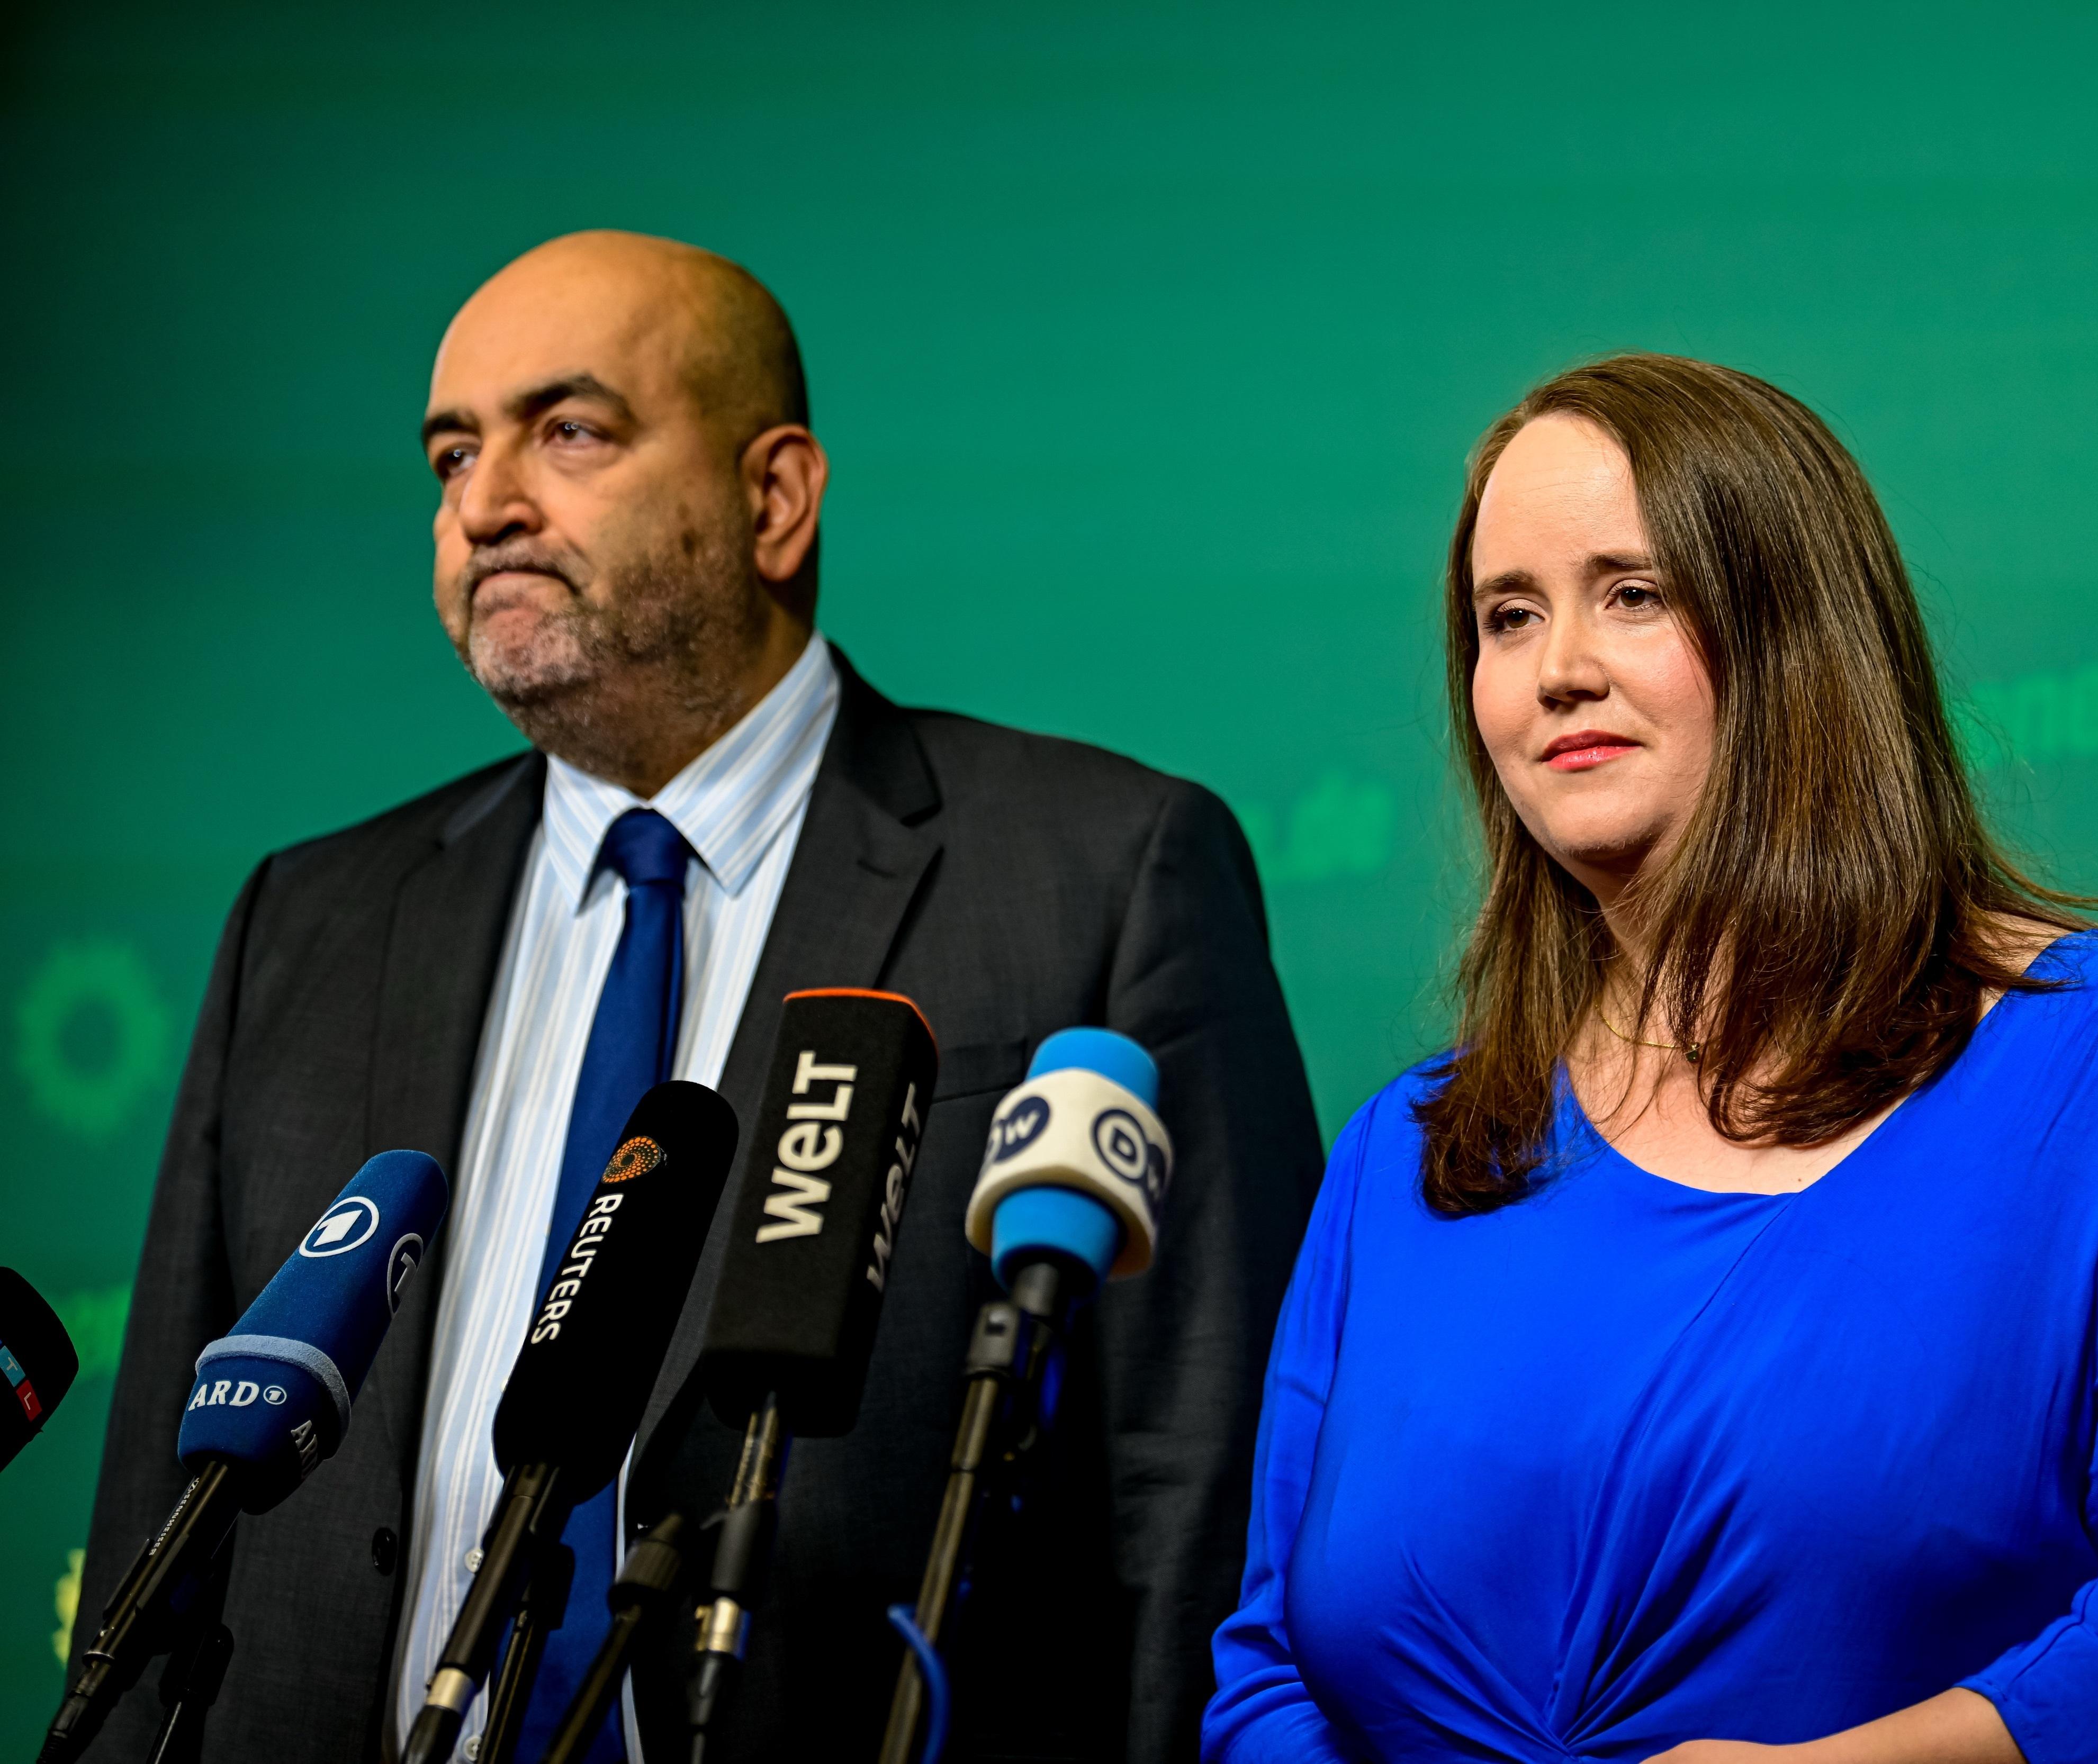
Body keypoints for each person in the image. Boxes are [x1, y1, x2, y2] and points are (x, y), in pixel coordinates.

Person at [75, 230, 1322, 1764]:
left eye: (570, 431)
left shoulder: (1102, 872)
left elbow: (1197, 1494)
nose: (485, 504)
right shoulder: (309, 920)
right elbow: (165, 1506)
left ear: (775, 498)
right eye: (451, 454)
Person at [1202, 354, 2098, 1764]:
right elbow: (1270, 1673)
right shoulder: (1408, 1156)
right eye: (1506, 617)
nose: (1559, 670)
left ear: (1797, 635)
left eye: (1633, 595)